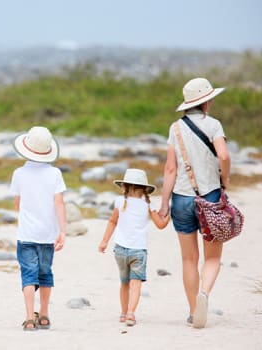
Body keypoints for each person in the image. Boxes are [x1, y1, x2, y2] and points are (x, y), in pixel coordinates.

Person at [158, 77, 231, 328]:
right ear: (207, 102)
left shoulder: (175, 128)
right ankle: (205, 295)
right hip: (210, 196)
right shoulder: (214, 125)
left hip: (181, 198)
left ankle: (192, 311)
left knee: (188, 258)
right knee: (212, 258)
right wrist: (225, 177)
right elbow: (223, 154)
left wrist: (164, 202)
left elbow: (170, 168)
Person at [9, 126, 67, 331]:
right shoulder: (55, 173)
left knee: (28, 275)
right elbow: (59, 203)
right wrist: (63, 231)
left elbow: (17, 203)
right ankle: (43, 315)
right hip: (48, 235)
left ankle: (28, 317)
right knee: (45, 274)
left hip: (26, 234)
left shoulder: (19, 173)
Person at [98, 168, 169, 327]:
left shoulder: (119, 201)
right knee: (135, 283)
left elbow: (112, 222)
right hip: (139, 251)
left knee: (124, 283)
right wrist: (170, 214)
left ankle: (123, 313)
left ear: (124, 186)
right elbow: (160, 225)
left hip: (120, 250)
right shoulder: (149, 204)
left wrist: (104, 241)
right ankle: (131, 314)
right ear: (145, 188)